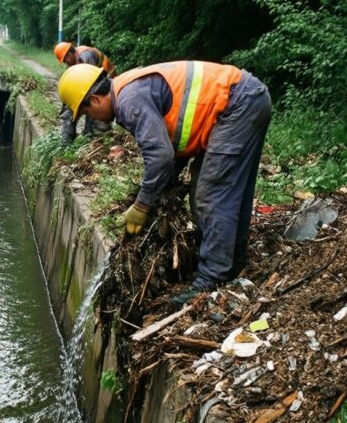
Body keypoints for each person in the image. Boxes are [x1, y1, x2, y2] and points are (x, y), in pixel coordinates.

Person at [58, 61, 272, 304]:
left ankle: (212, 279)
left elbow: (160, 156)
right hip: (244, 101)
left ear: (95, 100)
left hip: (238, 105)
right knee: (229, 191)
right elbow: (172, 146)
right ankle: (234, 262)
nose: (91, 118)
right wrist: (161, 188)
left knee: (211, 194)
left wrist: (142, 206)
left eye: (85, 113)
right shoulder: (127, 91)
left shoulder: (129, 102)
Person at [53, 42, 117, 143]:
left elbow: (88, 86)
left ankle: (98, 140)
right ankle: (67, 140)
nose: (66, 62)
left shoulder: (86, 57)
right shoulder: (75, 60)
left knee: (94, 111)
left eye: (65, 60)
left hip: (103, 81)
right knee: (73, 108)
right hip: (94, 82)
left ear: (69, 55)